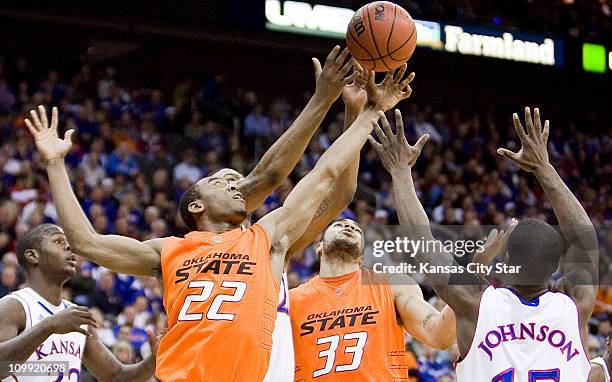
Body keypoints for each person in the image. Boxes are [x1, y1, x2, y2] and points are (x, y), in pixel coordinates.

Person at [26, 56, 415, 381]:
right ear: (195, 205)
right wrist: (56, 163)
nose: (236, 185)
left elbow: (328, 176)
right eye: (221, 181)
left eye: (237, 181)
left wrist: (368, 111)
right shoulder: (169, 250)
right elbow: (86, 241)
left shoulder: (269, 237)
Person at [371, 107, 597, 381]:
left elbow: (421, 240)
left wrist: (399, 170)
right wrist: (543, 168)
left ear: (505, 260)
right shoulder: (575, 304)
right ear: (555, 267)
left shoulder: (475, 301)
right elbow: (583, 237)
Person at [289, 218, 456, 381]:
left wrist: (468, 289)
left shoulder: (392, 286)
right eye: (338, 224)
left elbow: (438, 335)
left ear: (361, 257)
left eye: (356, 229)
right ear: (319, 247)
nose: (348, 226)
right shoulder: (292, 300)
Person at [0, 224, 158, 382]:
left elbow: (116, 376)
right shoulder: (15, 306)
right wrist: (48, 326)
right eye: (58, 241)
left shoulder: (75, 316)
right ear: (32, 255)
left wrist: (154, 359)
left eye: (68, 242)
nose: (68, 247)